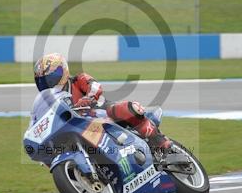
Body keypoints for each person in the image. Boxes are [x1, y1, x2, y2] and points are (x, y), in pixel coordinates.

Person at [32, 52, 172, 152]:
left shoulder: (77, 80)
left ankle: (161, 142)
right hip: (79, 129)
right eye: (43, 80)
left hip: (102, 113)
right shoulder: (47, 102)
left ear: (63, 72)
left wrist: (88, 98)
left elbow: (95, 86)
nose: (49, 83)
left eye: (52, 77)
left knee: (126, 109)